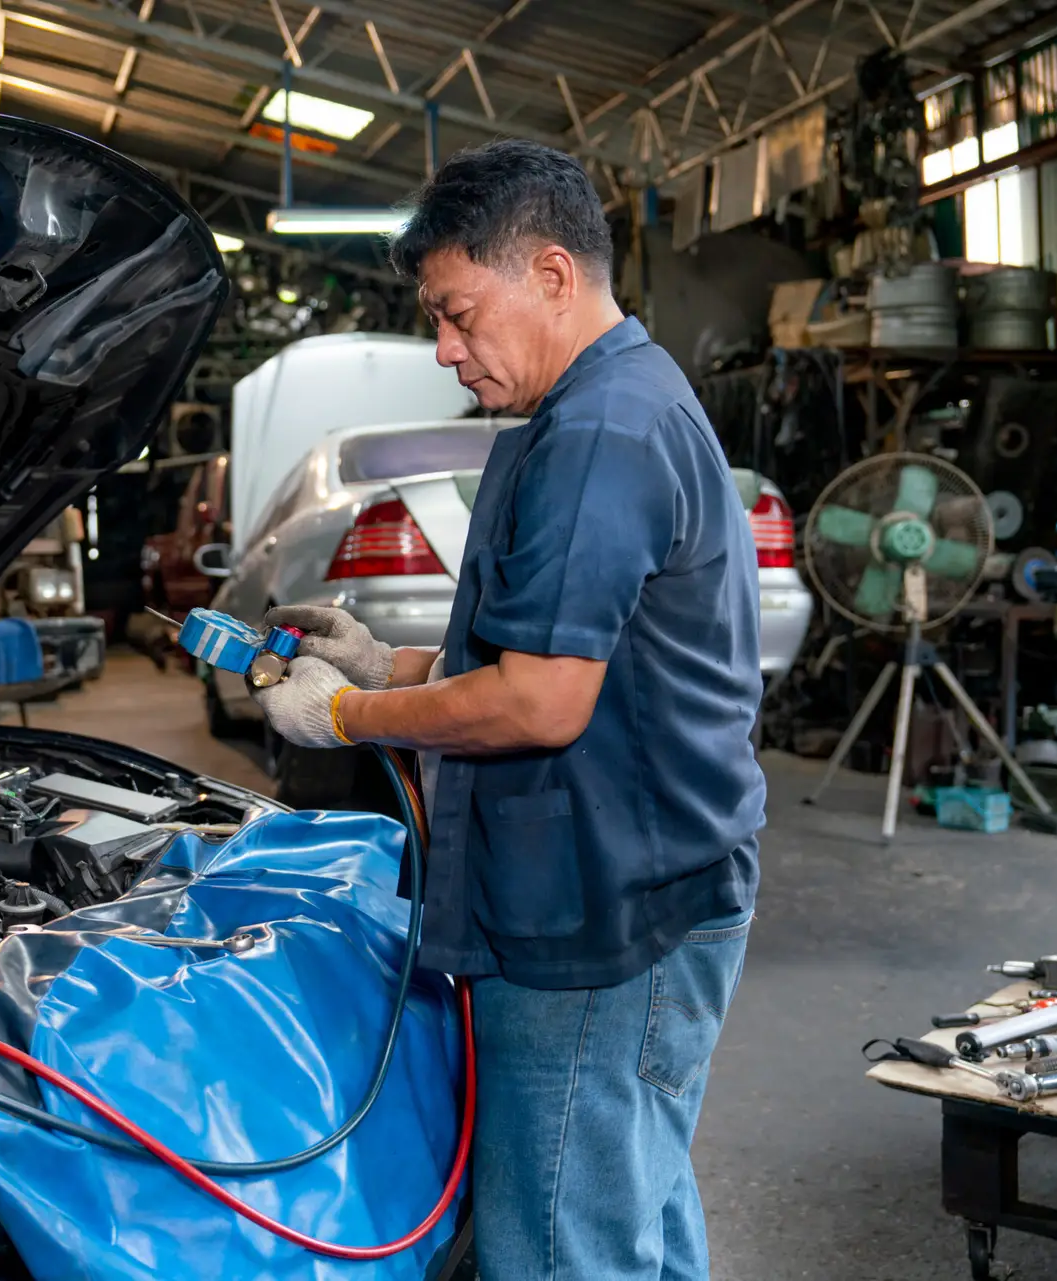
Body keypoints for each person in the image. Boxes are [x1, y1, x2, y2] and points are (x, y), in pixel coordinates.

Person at [252, 138, 765, 1281]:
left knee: (557, 1247)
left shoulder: (599, 434)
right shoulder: (614, 399)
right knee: (633, 1207)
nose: (444, 350)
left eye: (457, 314)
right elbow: (552, 650)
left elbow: (537, 702)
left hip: (598, 920)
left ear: (548, 273)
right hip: (653, 883)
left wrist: (343, 720)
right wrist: (385, 665)